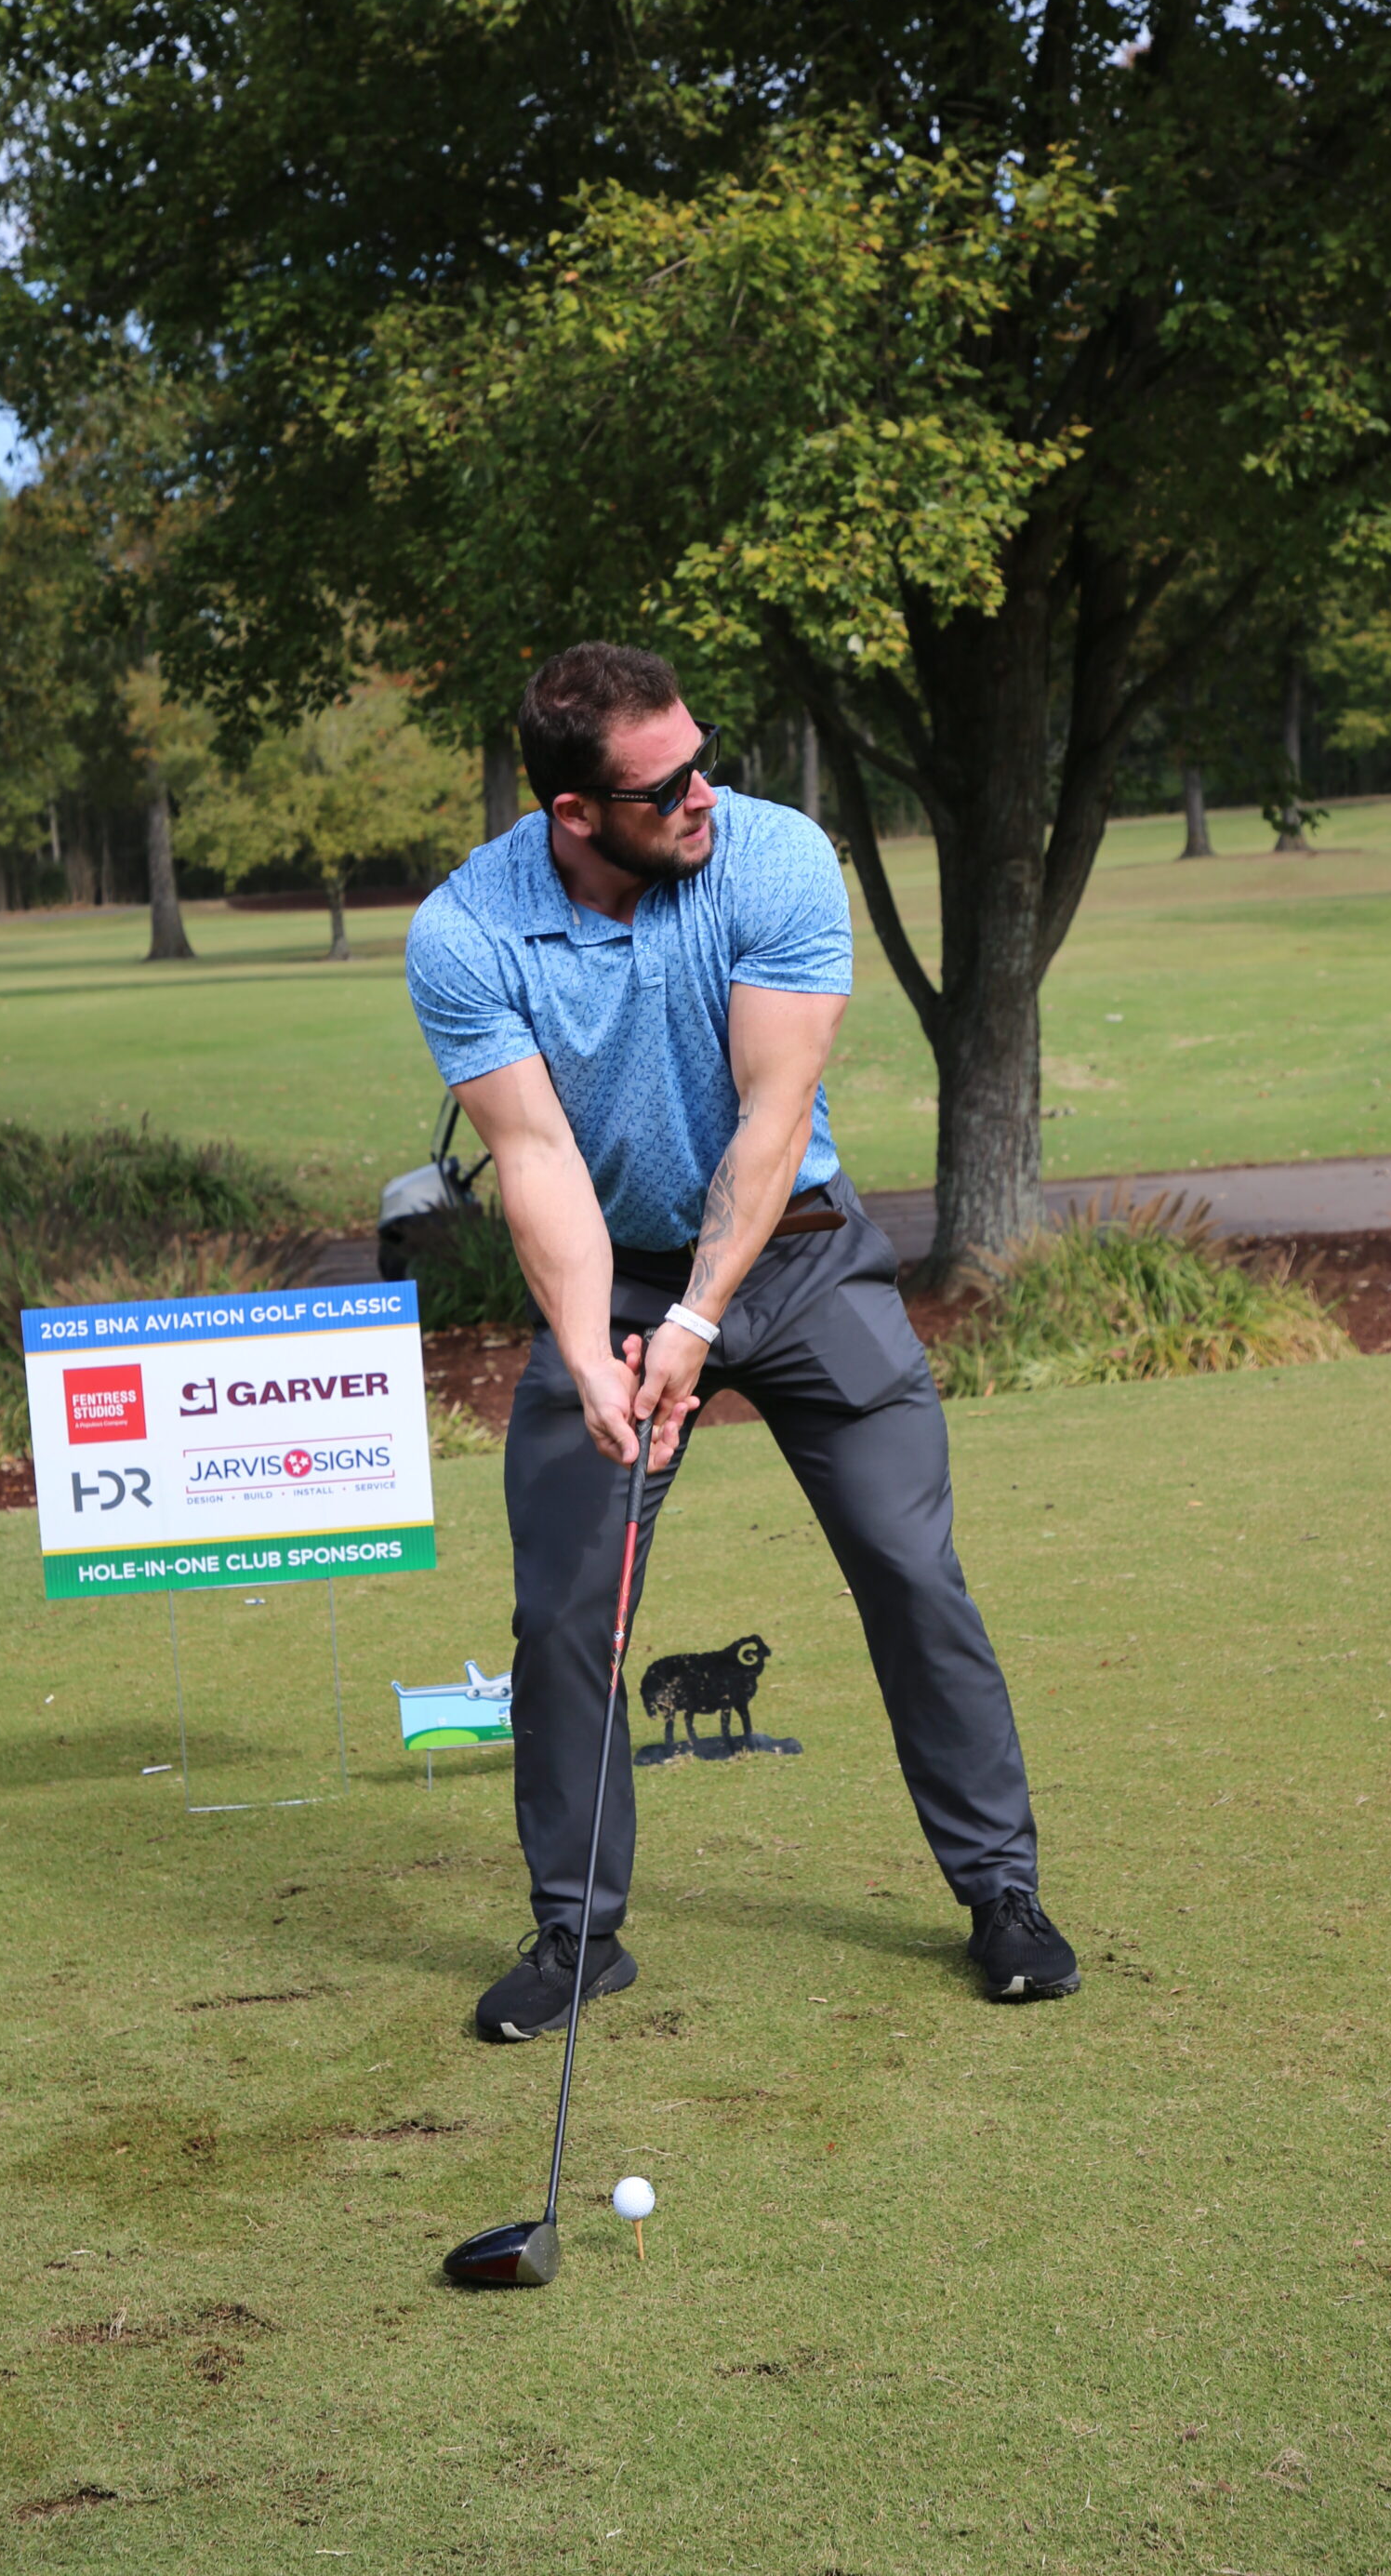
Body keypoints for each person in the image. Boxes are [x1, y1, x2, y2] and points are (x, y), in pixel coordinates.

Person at [404, 642, 1079, 2039]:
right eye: (665, 788)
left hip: (805, 1262)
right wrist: (591, 1351)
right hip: (615, 1281)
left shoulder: (773, 859)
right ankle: (576, 1935)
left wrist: (698, 1322)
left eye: (703, 761)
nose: (703, 795)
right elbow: (535, 1159)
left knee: (911, 1571)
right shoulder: (466, 932)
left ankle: (1002, 1896)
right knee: (566, 1615)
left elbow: (773, 1123)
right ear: (575, 813)